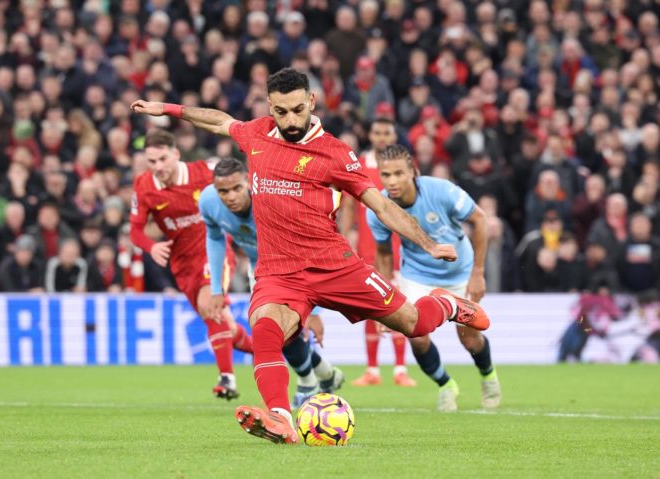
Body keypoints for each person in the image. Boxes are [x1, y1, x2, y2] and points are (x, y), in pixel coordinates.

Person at [131, 68, 489, 445]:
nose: (290, 120)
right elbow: (221, 120)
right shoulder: (256, 134)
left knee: (415, 324)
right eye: (281, 111)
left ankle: (447, 305)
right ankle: (280, 417)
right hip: (279, 273)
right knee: (266, 330)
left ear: (312, 103)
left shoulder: (335, 153)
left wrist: (429, 243)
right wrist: (167, 109)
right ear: (270, 106)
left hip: (335, 265)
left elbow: (381, 206)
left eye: (297, 110)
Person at [199, 157, 344, 408]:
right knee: (276, 331)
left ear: (248, 181)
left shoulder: (272, 199)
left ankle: (309, 383)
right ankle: (323, 375)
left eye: (236, 188)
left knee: (285, 329)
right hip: (261, 269)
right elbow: (214, 239)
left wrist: (314, 309)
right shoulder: (208, 201)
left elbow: (307, 243)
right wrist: (216, 289)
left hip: (296, 263)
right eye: (223, 191)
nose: (231, 196)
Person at [367, 145, 502, 412]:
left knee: (470, 339)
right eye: (385, 175)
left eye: (398, 174)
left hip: (461, 273)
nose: (392, 181)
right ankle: (445, 385)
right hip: (417, 276)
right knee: (416, 335)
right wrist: (380, 302)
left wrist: (477, 273)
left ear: (413, 172)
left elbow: (480, 219)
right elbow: (382, 255)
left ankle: (488, 376)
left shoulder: (441, 191)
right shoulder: (377, 208)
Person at [128, 128, 253, 400]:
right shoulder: (144, 186)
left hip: (214, 249)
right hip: (182, 265)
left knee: (211, 305)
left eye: (162, 159)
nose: (158, 167)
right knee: (225, 327)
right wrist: (152, 246)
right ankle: (275, 352)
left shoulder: (204, 171)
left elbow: (243, 181)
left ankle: (227, 378)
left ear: (176, 154)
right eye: (151, 162)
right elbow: (135, 232)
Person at [339, 117, 417, 388]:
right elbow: (349, 205)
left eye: (387, 132)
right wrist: (345, 234)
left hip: (398, 247)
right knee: (372, 306)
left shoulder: (403, 167)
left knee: (399, 304)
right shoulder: (357, 165)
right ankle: (372, 369)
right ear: (370, 135)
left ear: (394, 135)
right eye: (377, 131)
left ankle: (399, 369)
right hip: (367, 247)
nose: (382, 136)